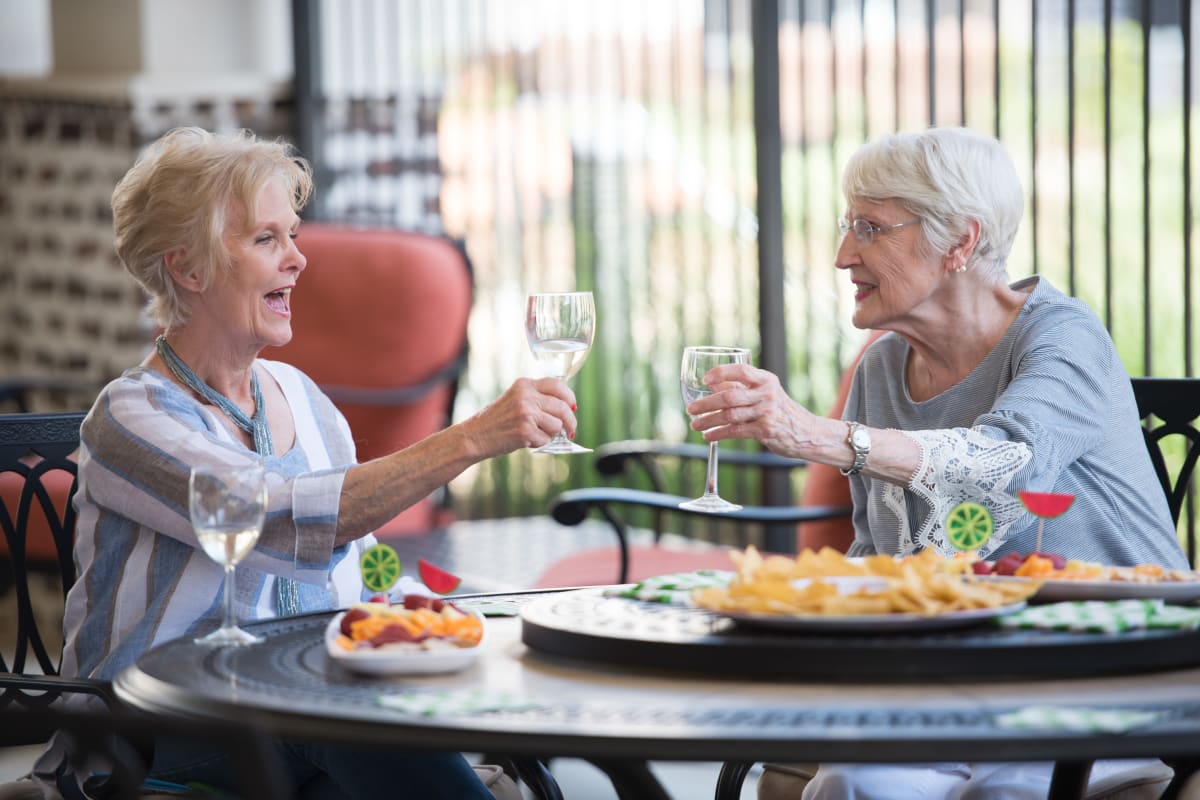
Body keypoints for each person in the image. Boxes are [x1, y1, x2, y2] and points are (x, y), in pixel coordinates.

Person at [54, 126, 577, 799]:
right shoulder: (132, 415)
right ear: (188, 269)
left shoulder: (303, 399)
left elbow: (353, 579)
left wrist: (409, 622)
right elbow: (265, 517)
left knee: (361, 743)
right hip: (148, 730)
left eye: (292, 234)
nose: (298, 259)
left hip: (292, 727)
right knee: (347, 718)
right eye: (267, 239)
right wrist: (471, 437)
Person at [686, 127, 1188, 799]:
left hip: (1104, 670)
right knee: (851, 784)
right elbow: (885, 557)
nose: (842, 255)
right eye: (847, 225)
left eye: (870, 228)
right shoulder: (884, 366)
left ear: (961, 242)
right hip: (953, 686)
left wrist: (821, 436)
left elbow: (1007, 466)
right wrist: (777, 611)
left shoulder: (1063, 337)